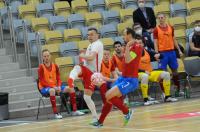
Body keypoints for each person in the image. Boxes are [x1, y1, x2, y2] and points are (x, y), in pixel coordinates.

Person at [91, 28, 143, 127]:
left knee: (108, 96)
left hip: (130, 80)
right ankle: (100, 121)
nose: (123, 36)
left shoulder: (137, 47)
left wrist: (127, 46)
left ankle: (127, 112)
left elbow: (128, 60)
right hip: (122, 78)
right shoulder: (129, 47)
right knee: (108, 99)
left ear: (129, 35)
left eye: (124, 34)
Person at [67, 27, 104, 123]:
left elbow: (91, 57)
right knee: (86, 97)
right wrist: (82, 62)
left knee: (76, 68)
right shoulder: (90, 45)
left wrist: (82, 55)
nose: (89, 36)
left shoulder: (97, 44)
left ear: (97, 35)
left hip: (92, 73)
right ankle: (95, 118)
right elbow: (88, 60)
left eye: (92, 34)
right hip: (89, 72)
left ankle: (71, 81)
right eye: (88, 34)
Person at [38, 49, 84, 119]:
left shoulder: (55, 66)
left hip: (56, 87)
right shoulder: (41, 67)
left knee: (71, 88)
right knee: (52, 90)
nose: (46, 58)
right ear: (42, 57)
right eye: (45, 56)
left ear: (50, 56)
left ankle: (75, 110)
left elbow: (58, 78)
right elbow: (42, 82)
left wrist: (59, 86)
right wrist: (53, 87)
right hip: (45, 88)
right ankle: (56, 113)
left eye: (47, 56)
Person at [136, 35, 177, 105]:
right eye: (137, 43)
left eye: (140, 43)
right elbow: (132, 67)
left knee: (166, 74)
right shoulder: (132, 53)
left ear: (143, 44)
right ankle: (146, 99)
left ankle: (167, 96)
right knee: (145, 76)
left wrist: (159, 55)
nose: (139, 45)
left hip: (150, 73)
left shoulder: (147, 51)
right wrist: (143, 71)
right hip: (137, 74)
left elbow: (161, 55)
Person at [153, 13, 183, 97]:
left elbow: (174, 39)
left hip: (172, 52)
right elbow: (155, 43)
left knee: (175, 71)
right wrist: (156, 54)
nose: (160, 19)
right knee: (162, 73)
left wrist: (179, 50)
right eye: (159, 18)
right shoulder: (156, 30)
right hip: (162, 53)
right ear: (157, 19)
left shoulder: (171, 27)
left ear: (165, 18)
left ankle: (178, 90)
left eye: (162, 17)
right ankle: (164, 93)